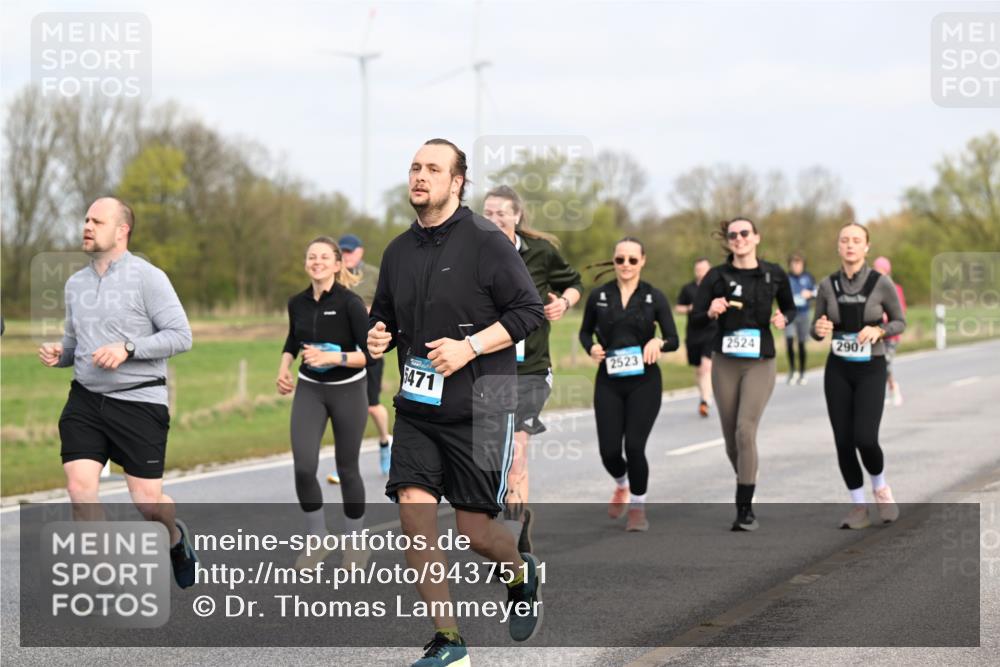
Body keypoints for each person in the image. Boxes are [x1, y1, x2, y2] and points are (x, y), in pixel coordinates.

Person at [366, 139, 545, 666]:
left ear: (457, 181)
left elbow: (529, 313)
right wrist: (378, 336)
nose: (420, 176)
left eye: (433, 169)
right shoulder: (397, 250)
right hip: (418, 411)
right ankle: (450, 641)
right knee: (414, 519)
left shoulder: (488, 242)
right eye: (415, 167)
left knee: (476, 535)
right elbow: (385, 317)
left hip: (481, 408)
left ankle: (520, 573)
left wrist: (469, 346)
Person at [38, 196, 197, 587]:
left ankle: (175, 538)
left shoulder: (149, 278)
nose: (87, 226)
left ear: (121, 230)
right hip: (86, 401)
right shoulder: (75, 284)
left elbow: (182, 337)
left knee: (148, 504)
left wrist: (128, 349)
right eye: (86, 220)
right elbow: (77, 345)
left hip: (139, 401)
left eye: (97, 221)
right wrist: (62, 354)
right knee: (80, 489)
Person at [482, 184, 582, 554]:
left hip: (531, 369)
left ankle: (510, 545)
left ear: (517, 215)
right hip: (488, 370)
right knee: (492, 457)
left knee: (516, 453)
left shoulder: (540, 252)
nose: (493, 220)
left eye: (501, 213)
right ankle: (513, 520)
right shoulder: (472, 253)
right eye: (487, 213)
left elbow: (573, 282)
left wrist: (564, 303)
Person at [690, 218, 796, 532]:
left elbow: (790, 309)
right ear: (729, 241)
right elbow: (696, 317)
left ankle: (744, 510)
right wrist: (710, 310)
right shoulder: (716, 276)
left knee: (745, 430)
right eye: (733, 235)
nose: (739, 239)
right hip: (725, 360)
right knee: (731, 442)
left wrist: (782, 318)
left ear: (756, 238)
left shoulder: (774, 273)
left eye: (744, 233)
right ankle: (748, 474)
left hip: (760, 360)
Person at [277, 237, 373, 570]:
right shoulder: (297, 303)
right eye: (311, 256)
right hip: (310, 389)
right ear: (307, 264)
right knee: (304, 467)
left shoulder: (350, 303)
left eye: (323, 257)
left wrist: (335, 357)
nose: (316, 261)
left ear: (337, 265)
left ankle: (356, 543)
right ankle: (318, 538)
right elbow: (293, 339)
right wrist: (283, 368)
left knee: (347, 469)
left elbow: (370, 355)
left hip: (348, 390)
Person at [579, 237, 679, 532]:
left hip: (645, 381)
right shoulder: (599, 296)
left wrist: (658, 341)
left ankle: (637, 507)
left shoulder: (654, 297)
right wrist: (591, 348)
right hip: (609, 380)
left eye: (632, 260)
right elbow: (585, 333)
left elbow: (674, 339)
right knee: (609, 451)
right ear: (613, 261)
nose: (625, 265)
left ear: (643, 261)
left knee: (634, 446)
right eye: (620, 259)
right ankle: (622, 484)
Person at [812, 228, 905, 529]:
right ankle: (858, 507)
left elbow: (900, 321)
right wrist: (820, 330)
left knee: (865, 437)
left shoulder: (881, 283)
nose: (850, 245)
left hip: (871, 367)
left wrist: (879, 330)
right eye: (844, 240)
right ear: (837, 246)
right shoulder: (827, 285)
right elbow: (817, 327)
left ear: (866, 247)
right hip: (838, 368)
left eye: (856, 241)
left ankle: (880, 487)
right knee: (843, 441)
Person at [325, 233, 393, 485]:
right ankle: (344, 467)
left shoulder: (375, 275)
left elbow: (387, 307)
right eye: (342, 252)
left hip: (369, 348)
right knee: (345, 409)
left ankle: (386, 441)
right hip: (342, 351)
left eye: (350, 251)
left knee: (371, 405)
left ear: (361, 252)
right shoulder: (334, 276)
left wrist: (363, 312)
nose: (347, 256)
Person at [675, 257, 716, 417]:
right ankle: (704, 395)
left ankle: (705, 400)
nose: (701, 272)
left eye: (704, 269)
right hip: (693, 333)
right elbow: (678, 308)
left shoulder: (716, 288)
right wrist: (690, 308)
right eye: (698, 269)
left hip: (711, 331)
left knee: (707, 366)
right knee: (699, 369)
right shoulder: (688, 289)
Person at [873, 255, 906, 407]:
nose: (878, 273)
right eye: (875, 270)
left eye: (880, 270)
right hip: (876, 333)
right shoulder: (872, 288)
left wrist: (887, 317)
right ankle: (883, 393)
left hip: (891, 334)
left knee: (886, 365)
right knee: (877, 365)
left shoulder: (895, 288)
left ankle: (894, 389)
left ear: (886, 271)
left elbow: (900, 313)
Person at [785, 252, 816, 385]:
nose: (796, 266)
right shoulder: (786, 278)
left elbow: (817, 291)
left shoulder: (808, 277)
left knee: (802, 344)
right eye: (794, 263)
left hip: (804, 313)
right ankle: (792, 371)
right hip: (790, 314)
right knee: (790, 340)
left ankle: (802, 372)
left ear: (802, 265)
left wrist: (810, 293)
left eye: (799, 263)